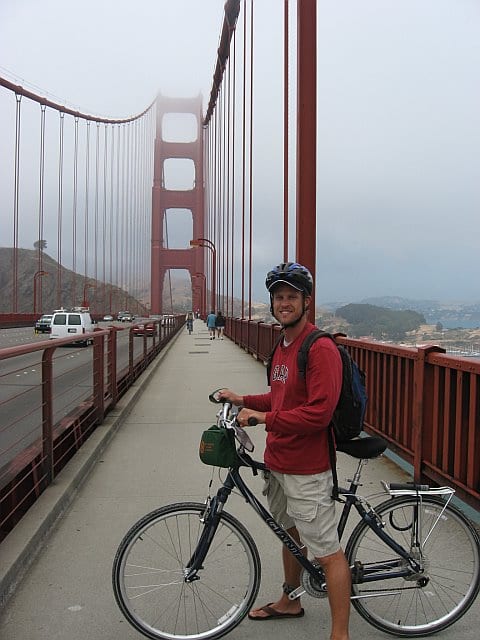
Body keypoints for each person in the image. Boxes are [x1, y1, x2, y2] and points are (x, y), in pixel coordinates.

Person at [219, 261, 351, 640]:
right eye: (279, 297)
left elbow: (318, 413)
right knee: (290, 535)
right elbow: (280, 397)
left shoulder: (319, 347)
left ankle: (339, 634)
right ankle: (291, 600)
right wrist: (243, 398)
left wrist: (263, 418)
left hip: (307, 467)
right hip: (279, 461)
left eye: (292, 296)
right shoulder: (282, 346)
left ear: (306, 301)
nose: (284, 303)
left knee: (327, 553)